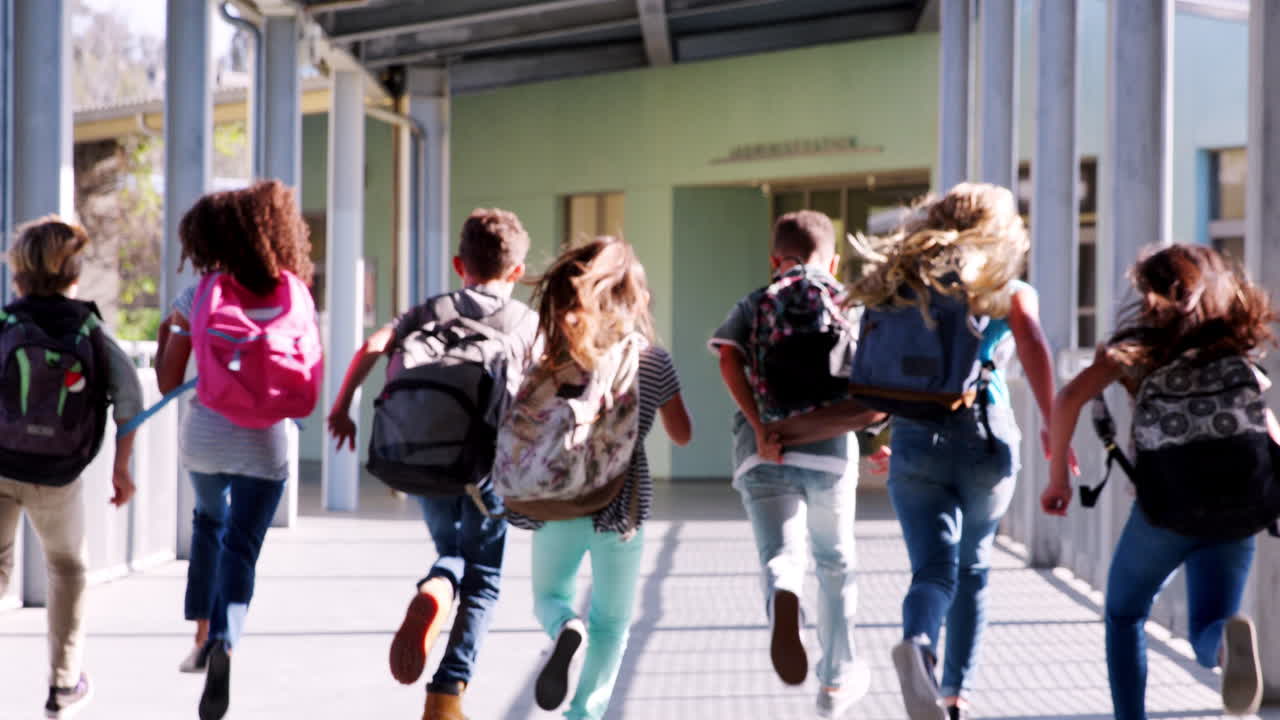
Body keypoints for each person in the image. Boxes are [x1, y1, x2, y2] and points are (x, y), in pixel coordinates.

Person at [844, 183, 1075, 720]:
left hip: (913, 439)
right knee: (973, 568)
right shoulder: (1004, 286)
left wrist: (880, 434)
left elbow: (882, 363)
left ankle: (919, 643)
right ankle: (954, 694)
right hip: (985, 437)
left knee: (931, 570)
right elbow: (1036, 345)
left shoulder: (901, 283)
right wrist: (1050, 424)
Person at [1042, 244, 1280, 720]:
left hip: (1166, 508)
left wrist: (1057, 480)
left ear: (1149, 293)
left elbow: (1068, 397)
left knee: (1125, 613)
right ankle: (1224, 649)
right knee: (1209, 623)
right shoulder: (1235, 344)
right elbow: (1265, 425)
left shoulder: (1136, 350)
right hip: (1239, 505)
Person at [326, 208, 539, 720]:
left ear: (457, 262)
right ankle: (446, 693)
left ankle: (436, 587)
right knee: (485, 577)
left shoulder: (430, 309)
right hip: (487, 468)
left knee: (451, 553)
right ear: (516, 272)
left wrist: (342, 406)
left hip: (424, 455)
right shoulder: (526, 322)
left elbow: (373, 345)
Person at [503, 237, 691, 720]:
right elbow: (683, 434)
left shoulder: (553, 359)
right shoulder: (652, 360)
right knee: (613, 623)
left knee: (548, 597)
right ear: (638, 301)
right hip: (622, 509)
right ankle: (584, 713)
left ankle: (565, 626)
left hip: (556, 501)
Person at [155, 180, 318, 720]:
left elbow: (166, 381)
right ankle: (226, 637)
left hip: (204, 441)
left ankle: (201, 635)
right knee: (242, 545)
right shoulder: (292, 291)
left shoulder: (200, 293)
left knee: (208, 523)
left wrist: (168, 335)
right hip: (266, 443)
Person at [708, 210, 870, 718]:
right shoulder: (846, 301)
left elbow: (727, 358)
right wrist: (878, 432)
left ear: (775, 260)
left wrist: (761, 428)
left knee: (782, 554)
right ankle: (835, 681)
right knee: (835, 561)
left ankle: (784, 591)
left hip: (764, 451)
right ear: (834, 259)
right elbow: (875, 379)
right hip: (830, 449)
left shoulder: (758, 300)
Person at [0, 216, 143, 719]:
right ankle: (64, 683)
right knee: (68, 567)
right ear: (73, 275)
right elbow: (130, 398)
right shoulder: (90, 329)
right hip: (57, 474)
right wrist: (122, 469)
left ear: (19, 276)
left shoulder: (6, 323)